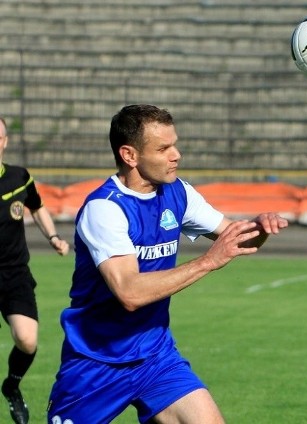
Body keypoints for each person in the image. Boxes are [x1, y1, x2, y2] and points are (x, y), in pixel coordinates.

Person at [47, 104, 288, 423]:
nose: (176, 155)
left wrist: (259, 228)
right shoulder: (104, 209)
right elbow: (130, 293)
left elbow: (235, 239)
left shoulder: (178, 194)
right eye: (163, 148)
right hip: (95, 363)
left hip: (155, 357)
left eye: (174, 144)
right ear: (130, 155)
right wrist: (207, 262)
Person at [0, 116, 70, 424]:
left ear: (4, 142)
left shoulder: (19, 177)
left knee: (27, 340)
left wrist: (53, 236)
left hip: (15, 275)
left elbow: (37, 206)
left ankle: (11, 386)